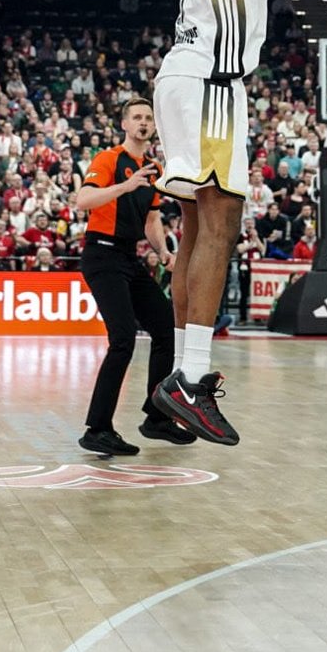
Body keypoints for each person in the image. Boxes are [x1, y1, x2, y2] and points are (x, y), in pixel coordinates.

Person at [148, 0, 325, 445]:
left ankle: (179, 374)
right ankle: (189, 378)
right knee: (219, 226)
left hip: (201, 83)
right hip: (208, 85)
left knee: (198, 232)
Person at [72, 98, 192, 455]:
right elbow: (84, 200)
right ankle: (97, 428)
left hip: (128, 255)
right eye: (137, 117)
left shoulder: (153, 169)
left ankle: (156, 418)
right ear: (124, 124)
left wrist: (164, 252)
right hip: (101, 254)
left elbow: (152, 220)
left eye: (148, 118)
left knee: (166, 329)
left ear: (154, 127)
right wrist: (125, 186)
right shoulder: (108, 160)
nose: (143, 122)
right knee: (122, 339)